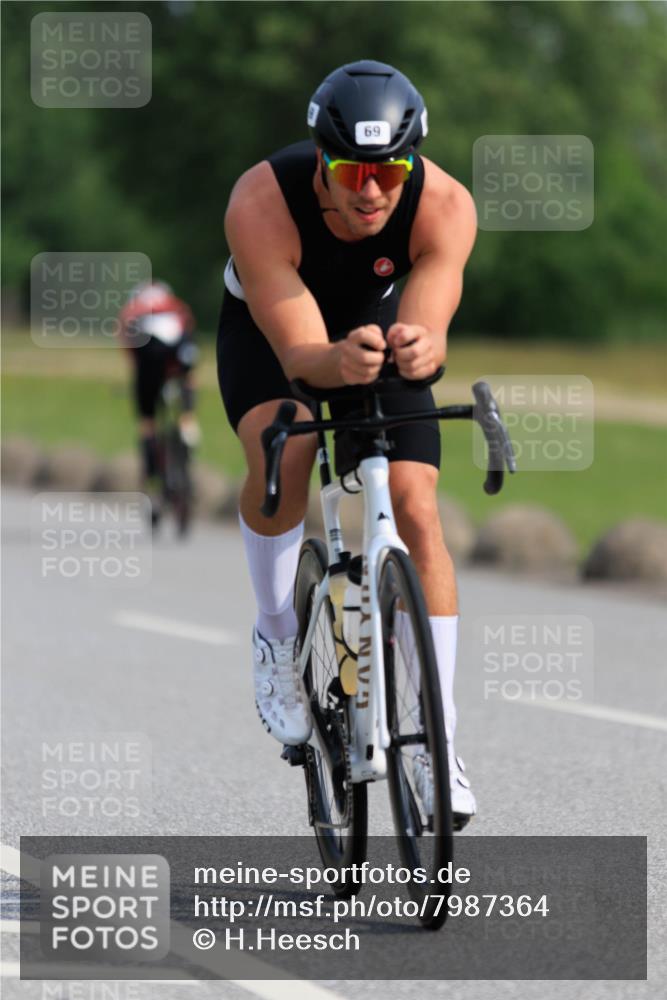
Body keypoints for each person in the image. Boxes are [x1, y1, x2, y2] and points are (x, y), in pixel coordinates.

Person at [217, 60, 477, 825]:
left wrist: (422, 348)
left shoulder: (444, 205)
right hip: (273, 333)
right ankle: (275, 638)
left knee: (416, 506)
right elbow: (302, 356)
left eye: (389, 172)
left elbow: (429, 324)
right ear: (320, 161)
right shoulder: (260, 201)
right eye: (350, 171)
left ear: (410, 163)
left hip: (375, 324)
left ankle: (436, 742)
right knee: (287, 445)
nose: (370, 191)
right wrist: (334, 362)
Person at [118, 281, 200, 521]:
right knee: (187, 378)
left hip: (147, 355)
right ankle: (188, 424)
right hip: (179, 350)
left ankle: (153, 473)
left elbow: (130, 351)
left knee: (148, 421)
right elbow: (189, 328)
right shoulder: (174, 304)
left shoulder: (134, 309)